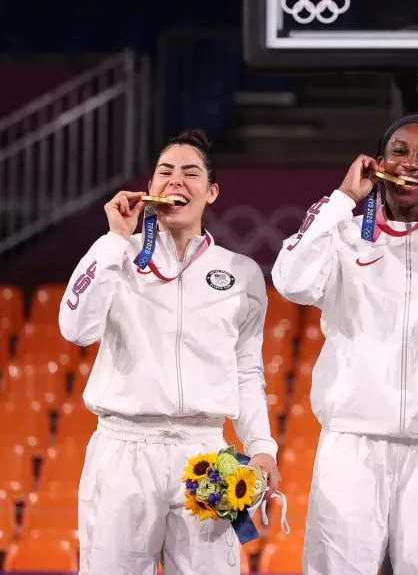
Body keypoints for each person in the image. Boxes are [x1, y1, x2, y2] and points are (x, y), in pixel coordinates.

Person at [271, 113, 418, 575]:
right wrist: (341, 201)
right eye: (399, 151)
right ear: (377, 163)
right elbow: (289, 280)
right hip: (352, 446)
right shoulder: (340, 236)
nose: (411, 163)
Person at [58, 129, 282, 574]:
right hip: (124, 449)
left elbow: (246, 372)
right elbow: (75, 329)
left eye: (191, 173)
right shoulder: (115, 256)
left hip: (205, 454)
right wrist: (114, 240)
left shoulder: (240, 274)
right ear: (150, 187)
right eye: (165, 171)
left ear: (212, 191)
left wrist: (261, 446)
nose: (176, 180)